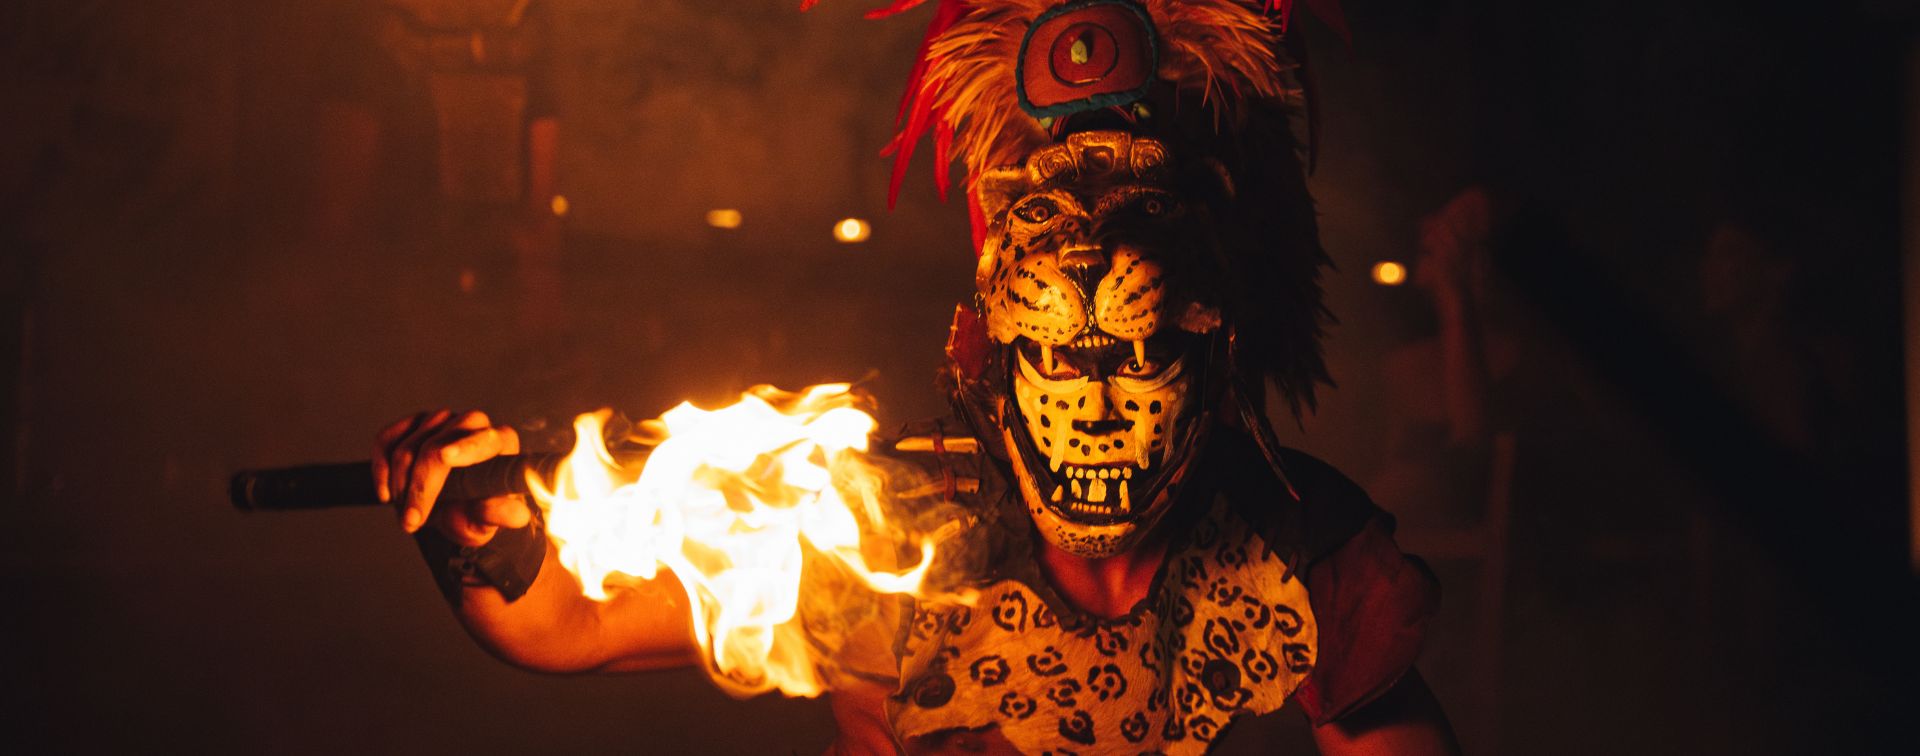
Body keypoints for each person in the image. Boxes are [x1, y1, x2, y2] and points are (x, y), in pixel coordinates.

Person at [374, 2, 1459, 753]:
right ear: (993, 357)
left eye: (1134, 361)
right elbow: (567, 627)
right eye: (1056, 359)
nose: (1094, 406)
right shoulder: (891, 527)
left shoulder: (1291, 548)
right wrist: (486, 539)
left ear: (1211, 361)